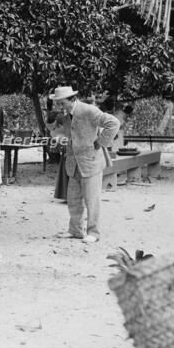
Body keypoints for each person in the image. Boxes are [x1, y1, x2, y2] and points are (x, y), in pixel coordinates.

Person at [50, 86, 120, 243]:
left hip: (90, 162)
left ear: (72, 99)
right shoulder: (67, 115)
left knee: (91, 200)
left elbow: (113, 123)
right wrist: (61, 139)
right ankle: (75, 230)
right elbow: (72, 134)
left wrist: (100, 142)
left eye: (61, 103)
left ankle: (94, 232)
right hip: (73, 163)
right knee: (73, 199)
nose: (59, 106)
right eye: (58, 103)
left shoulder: (88, 110)